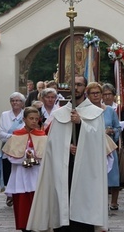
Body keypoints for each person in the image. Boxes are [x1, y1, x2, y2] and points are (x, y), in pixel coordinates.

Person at [27, 76, 108, 232]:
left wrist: (80, 124)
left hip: (85, 168)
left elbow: (98, 141)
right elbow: (52, 144)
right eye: (73, 84)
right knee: (62, 204)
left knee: (83, 206)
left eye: (79, 85)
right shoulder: (60, 114)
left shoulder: (96, 113)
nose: (75, 87)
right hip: (64, 167)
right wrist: (66, 147)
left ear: (85, 88)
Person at [2, 107, 47, 232]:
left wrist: (35, 158)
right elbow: (10, 156)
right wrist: (24, 157)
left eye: (36, 119)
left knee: (36, 204)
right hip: (20, 175)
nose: (34, 121)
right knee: (22, 204)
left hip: (36, 174)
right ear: (24, 119)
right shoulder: (16, 136)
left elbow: (46, 156)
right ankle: (24, 227)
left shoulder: (42, 136)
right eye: (31, 118)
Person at [87, 82, 122, 211]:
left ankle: (114, 201)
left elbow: (118, 127)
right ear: (88, 95)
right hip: (92, 147)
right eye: (93, 93)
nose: (96, 95)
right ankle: (98, 201)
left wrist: (112, 132)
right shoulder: (86, 110)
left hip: (108, 146)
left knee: (113, 174)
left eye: (98, 93)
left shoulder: (110, 111)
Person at [0, 92, 26, 207]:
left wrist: (13, 136)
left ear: (22, 103)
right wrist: (14, 136)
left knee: (20, 172)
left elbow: (26, 132)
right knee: (8, 171)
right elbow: (0, 133)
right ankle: (10, 195)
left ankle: (18, 195)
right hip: (7, 149)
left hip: (21, 149)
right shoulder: (4, 115)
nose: (15, 102)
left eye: (18, 100)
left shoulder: (26, 115)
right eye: (13, 100)